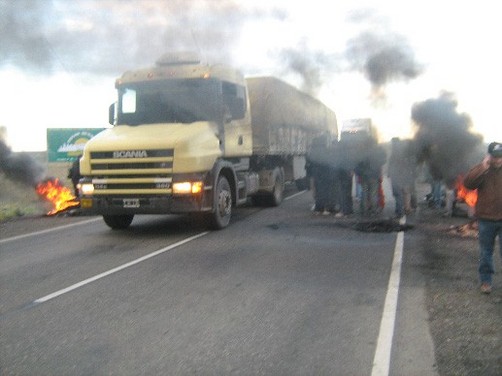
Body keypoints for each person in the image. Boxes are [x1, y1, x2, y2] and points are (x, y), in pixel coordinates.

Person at [463, 142, 502, 294]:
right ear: (489, 156)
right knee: (486, 253)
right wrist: (483, 167)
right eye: (495, 157)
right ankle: (486, 282)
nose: (498, 160)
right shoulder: (482, 170)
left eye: (500, 157)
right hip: (486, 219)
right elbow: (468, 184)